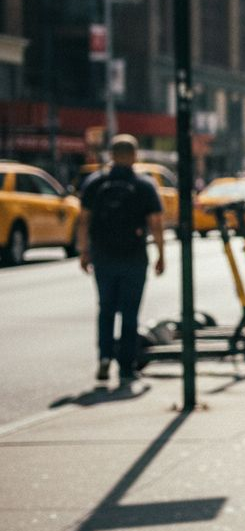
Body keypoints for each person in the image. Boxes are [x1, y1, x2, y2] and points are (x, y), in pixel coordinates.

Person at [76, 135, 166, 384]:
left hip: (103, 255)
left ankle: (104, 358)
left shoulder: (95, 183)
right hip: (134, 256)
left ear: (112, 156)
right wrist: (161, 254)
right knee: (130, 312)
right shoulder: (144, 185)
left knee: (105, 309)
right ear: (135, 156)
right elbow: (156, 224)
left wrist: (84, 251)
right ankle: (126, 366)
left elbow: (83, 220)